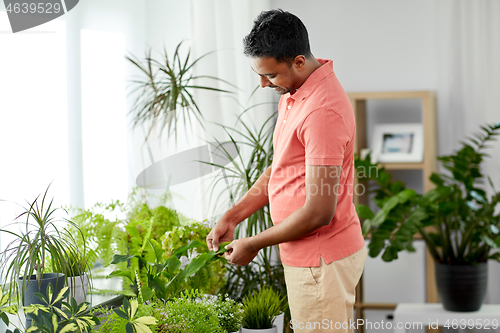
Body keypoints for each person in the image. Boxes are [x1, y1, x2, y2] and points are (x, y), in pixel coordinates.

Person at [206, 9, 366, 333]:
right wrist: (233, 216)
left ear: (297, 61)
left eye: (271, 76)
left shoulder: (322, 111)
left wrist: (253, 243)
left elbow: (319, 211)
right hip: (309, 259)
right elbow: (280, 168)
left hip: (320, 261)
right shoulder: (295, 92)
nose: (264, 84)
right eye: (260, 75)